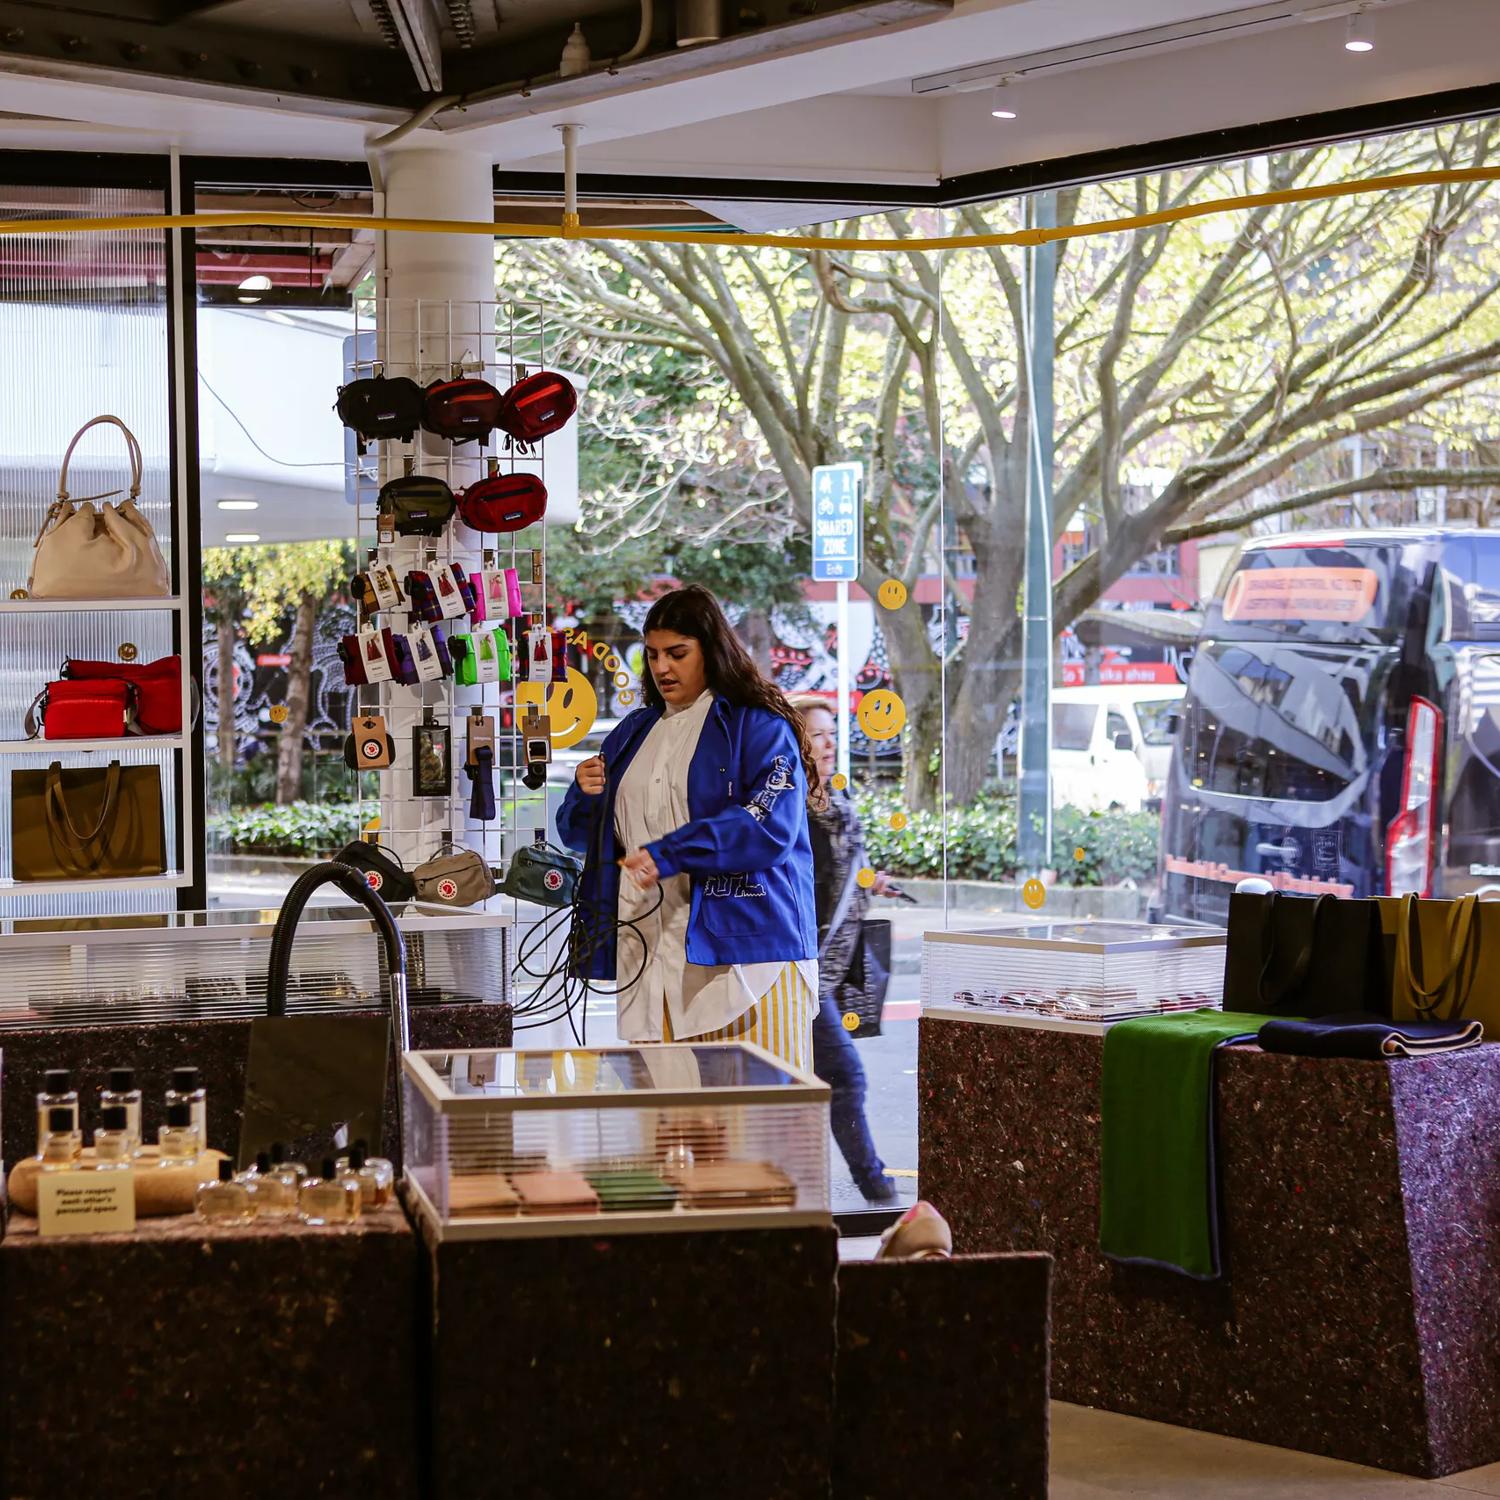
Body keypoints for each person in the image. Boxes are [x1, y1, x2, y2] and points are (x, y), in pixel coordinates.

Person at [556, 585, 819, 1071]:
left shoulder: (758, 727)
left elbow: (768, 827)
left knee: (756, 1135)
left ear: (711, 651)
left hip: (745, 958)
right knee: (670, 1136)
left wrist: (672, 851)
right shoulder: (633, 731)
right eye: (653, 654)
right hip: (648, 959)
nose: (662, 668)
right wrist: (585, 795)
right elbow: (585, 838)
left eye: (678, 653)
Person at [790, 695, 897, 1203]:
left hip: (822, 971)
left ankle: (803, 1186)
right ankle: (873, 1185)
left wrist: (871, 883)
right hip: (796, 970)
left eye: (833, 732)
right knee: (844, 1075)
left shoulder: (830, 803)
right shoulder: (792, 810)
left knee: (811, 1081)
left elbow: (838, 873)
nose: (830, 743)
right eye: (818, 735)